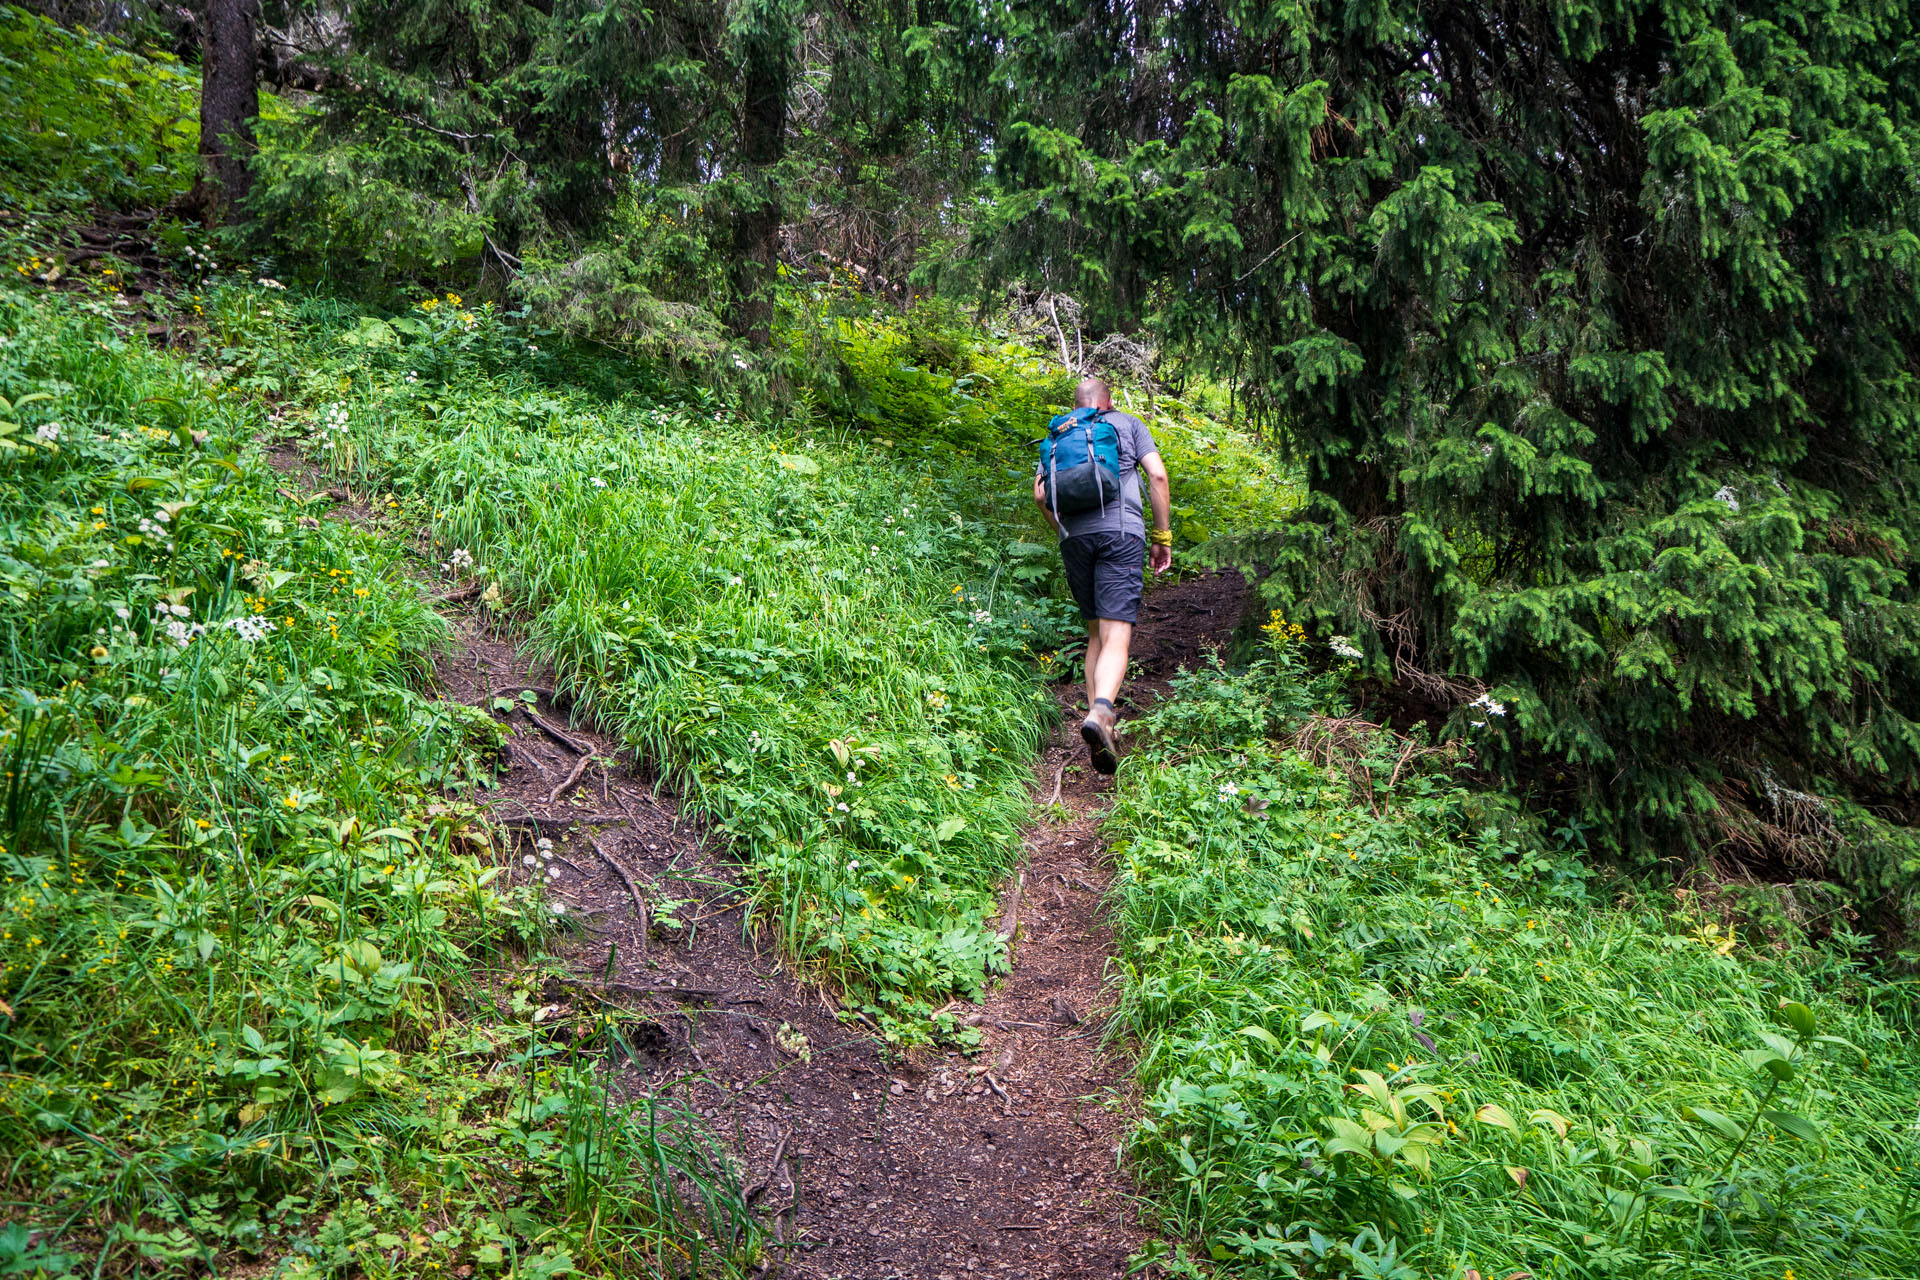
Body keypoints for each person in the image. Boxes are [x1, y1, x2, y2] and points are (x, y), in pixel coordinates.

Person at [1033, 376, 1172, 774]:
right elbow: (1157, 476)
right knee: (1116, 632)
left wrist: (1064, 532)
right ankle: (1102, 713)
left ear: (1077, 402)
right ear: (1108, 401)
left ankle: (1099, 724)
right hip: (1121, 534)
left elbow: (1041, 496)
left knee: (1095, 630)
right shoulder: (1127, 424)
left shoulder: (1059, 432)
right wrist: (1162, 536)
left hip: (1075, 539)